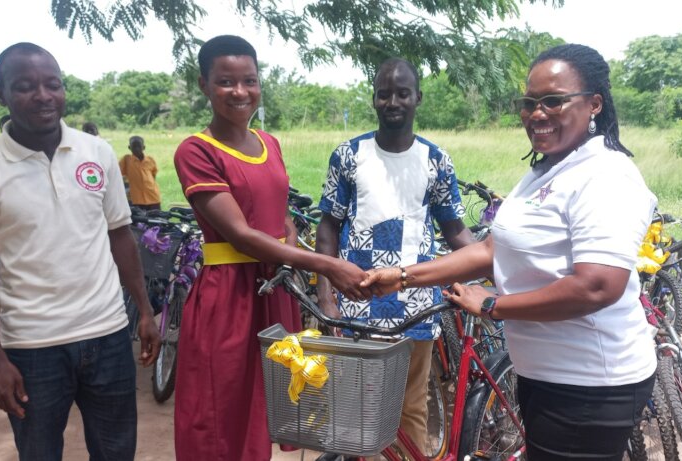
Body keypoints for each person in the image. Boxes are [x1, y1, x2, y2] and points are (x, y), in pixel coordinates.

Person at [363, 44, 658, 461]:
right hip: (546, 375)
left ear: (594, 104)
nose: (537, 113)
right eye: (529, 103)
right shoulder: (547, 169)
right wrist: (404, 276)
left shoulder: (606, 174)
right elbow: (489, 249)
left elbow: (597, 286)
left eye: (554, 101)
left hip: (591, 385)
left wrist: (495, 304)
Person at [0, 42, 159, 461]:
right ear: (1, 95)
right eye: (25, 86)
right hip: (30, 348)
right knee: (40, 453)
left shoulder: (96, 152)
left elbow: (120, 235)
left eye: (53, 84)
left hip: (107, 336)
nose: (43, 96)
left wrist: (145, 310)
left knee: (117, 451)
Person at [171, 35, 370, 461]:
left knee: (269, 402)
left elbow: (281, 215)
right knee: (220, 407)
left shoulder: (270, 144)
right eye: (226, 81)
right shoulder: (196, 150)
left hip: (274, 287)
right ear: (205, 84)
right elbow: (240, 235)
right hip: (229, 295)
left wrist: (290, 250)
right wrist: (323, 264)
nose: (240, 92)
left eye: (249, 80)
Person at [314, 57, 473, 458]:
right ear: (374, 99)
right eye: (384, 93)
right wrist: (326, 299)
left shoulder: (436, 160)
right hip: (357, 303)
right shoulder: (349, 155)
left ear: (417, 98)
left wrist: (491, 265)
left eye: (402, 93)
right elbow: (327, 228)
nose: (393, 101)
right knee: (357, 412)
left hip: (416, 307)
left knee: (410, 409)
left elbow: (454, 229)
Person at [119, 135, 162, 210]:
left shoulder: (150, 160)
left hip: (153, 197)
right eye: (134, 147)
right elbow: (118, 173)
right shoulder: (126, 160)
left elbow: (153, 176)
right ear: (129, 148)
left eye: (139, 146)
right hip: (136, 199)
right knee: (139, 220)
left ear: (144, 147)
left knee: (156, 219)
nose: (136, 149)